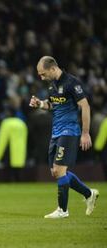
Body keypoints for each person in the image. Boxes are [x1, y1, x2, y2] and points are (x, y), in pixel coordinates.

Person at [29, 56, 99, 218]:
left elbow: (85, 106)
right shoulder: (52, 85)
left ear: (53, 69)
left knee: (60, 170)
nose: (41, 77)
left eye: (43, 74)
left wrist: (85, 132)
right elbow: (53, 105)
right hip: (56, 132)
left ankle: (63, 210)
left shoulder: (71, 83)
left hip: (70, 130)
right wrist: (40, 104)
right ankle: (89, 194)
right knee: (56, 171)